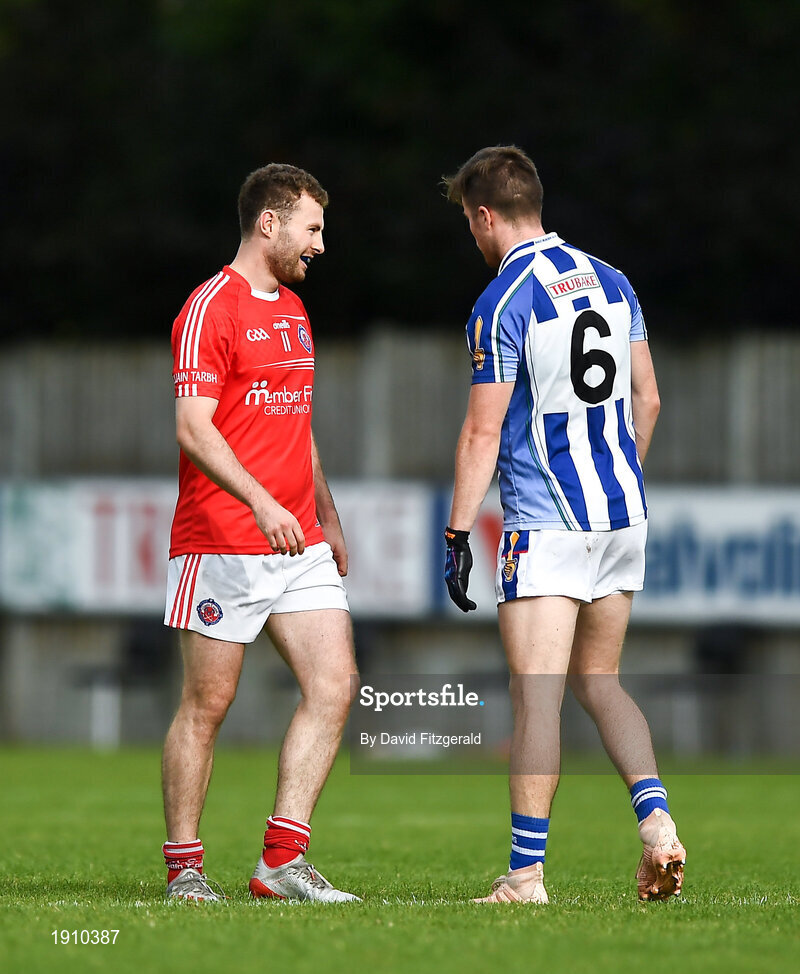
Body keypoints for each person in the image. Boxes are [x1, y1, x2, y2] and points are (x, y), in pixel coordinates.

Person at [442, 146, 685, 904]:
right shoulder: (613, 280)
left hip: (546, 525)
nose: (474, 241)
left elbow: (483, 435)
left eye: (469, 226)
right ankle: (657, 826)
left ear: (485, 215)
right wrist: (617, 479)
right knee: (600, 680)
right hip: (621, 513)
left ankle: (525, 876)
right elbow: (648, 400)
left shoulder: (501, 301)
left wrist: (456, 535)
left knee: (539, 695)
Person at [161, 164, 360, 903]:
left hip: (298, 539)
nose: (320, 244)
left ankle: (281, 861)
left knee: (335, 685)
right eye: (312, 228)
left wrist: (323, 512)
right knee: (208, 704)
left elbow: (296, 423)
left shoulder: (295, 313)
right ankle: (185, 868)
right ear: (269, 224)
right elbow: (192, 427)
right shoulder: (210, 307)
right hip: (222, 536)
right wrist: (260, 501)